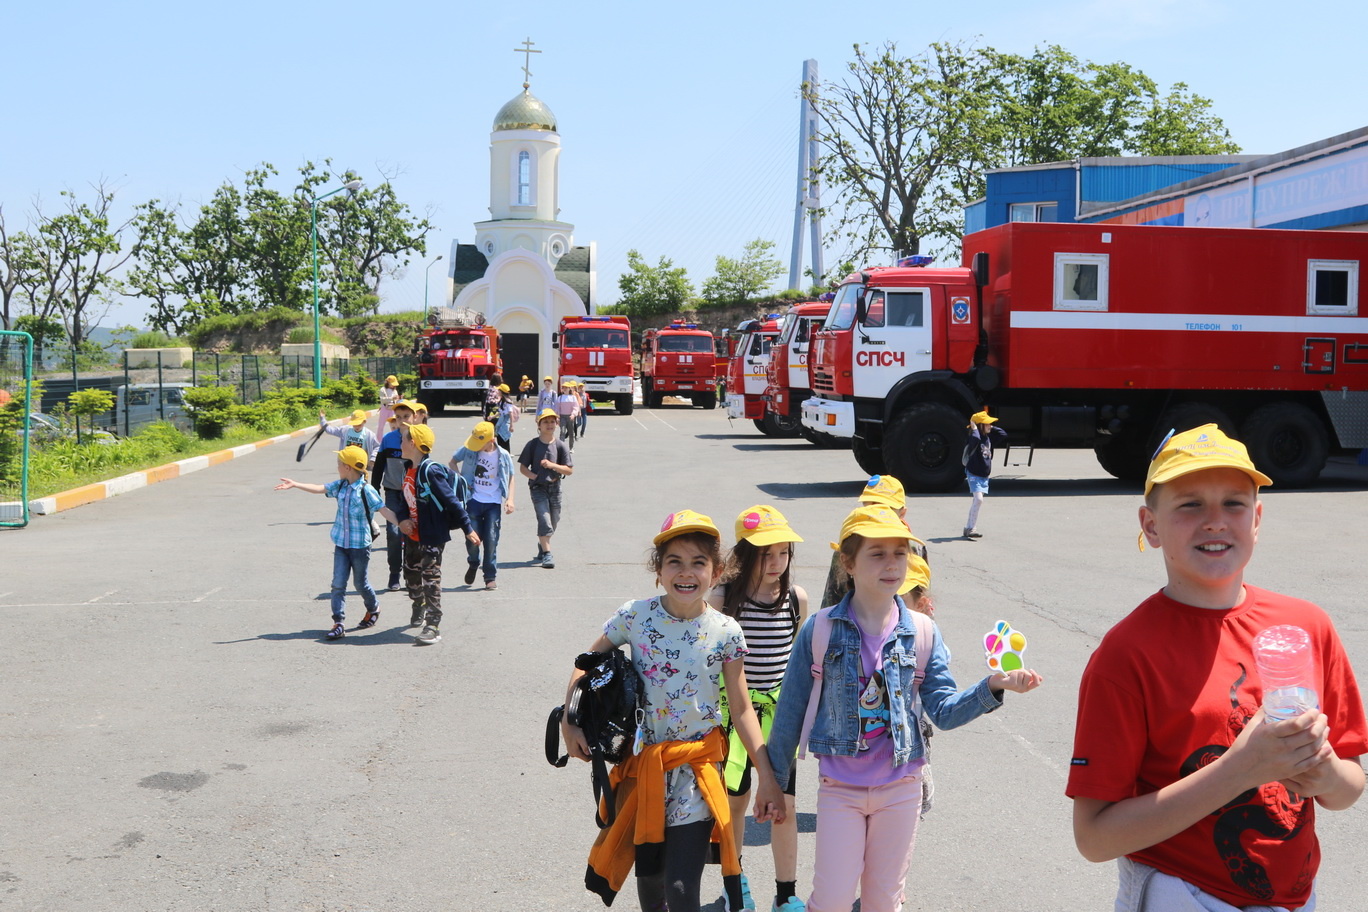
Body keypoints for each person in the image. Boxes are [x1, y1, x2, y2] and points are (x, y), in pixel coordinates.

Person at [1067, 424, 1367, 911]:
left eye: (1234, 503)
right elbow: (1095, 838)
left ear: (1257, 519)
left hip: (1296, 896)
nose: (1215, 521)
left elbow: (1349, 787)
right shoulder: (1126, 654)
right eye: (1189, 504)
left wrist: (1324, 772)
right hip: (1184, 893)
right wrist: (1240, 770)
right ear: (1150, 525)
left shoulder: (1306, 627)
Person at [766, 504, 1042, 912]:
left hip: (901, 789)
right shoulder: (821, 628)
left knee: (883, 902)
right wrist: (772, 783)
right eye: (877, 553)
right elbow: (789, 712)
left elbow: (944, 711)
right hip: (840, 789)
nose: (892, 563)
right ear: (848, 563)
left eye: (900, 552)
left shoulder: (923, 632)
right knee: (831, 901)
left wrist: (993, 686)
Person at [562, 510, 786, 912]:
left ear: (716, 572)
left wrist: (766, 775)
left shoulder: (725, 631)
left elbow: (741, 708)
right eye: (674, 562)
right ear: (658, 570)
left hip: (697, 774)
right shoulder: (635, 616)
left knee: (682, 890)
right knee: (651, 889)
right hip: (643, 770)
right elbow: (586, 662)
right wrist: (569, 718)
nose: (687, 572)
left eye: (698, 562)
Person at [711, 505, 809, 912]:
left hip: (779, 720)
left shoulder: (795, 599)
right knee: (735, 802)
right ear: (745, 553)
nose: (776, 562)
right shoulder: (722, 598)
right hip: (733, 718)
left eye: (783, 553)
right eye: (766, 553)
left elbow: (797, 660)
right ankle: (735, 882)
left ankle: (786, 893)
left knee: (785, 806)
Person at [275, 445, 397, 640]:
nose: (337, 467)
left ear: (348, 467)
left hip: (360, 546)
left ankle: (373, 608)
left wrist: (404, 525)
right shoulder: (340, 485)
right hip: (341, 543)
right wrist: (296, 484)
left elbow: (384, 511)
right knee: (338, 584)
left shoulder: (367, 490)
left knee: (360, 583)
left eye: (339, 464)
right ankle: (338, 622)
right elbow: (320, 488)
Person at [392, 423, 480, 645]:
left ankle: (433, 625)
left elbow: (451, 501)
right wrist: (402, 519)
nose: (400, 442)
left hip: (432, 535)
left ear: (413, 444)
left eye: (403, 439)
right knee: (411, 575)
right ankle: (418, 602)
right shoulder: (407, 468)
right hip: (412, 535)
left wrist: (467, 528)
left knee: (430, 578)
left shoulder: (431, 471)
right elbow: (403, 500)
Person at [821, 474, 928, 610]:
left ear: (902, 513)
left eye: (885, 508)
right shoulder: (849, 546)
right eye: (870, 506)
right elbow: (832, 598)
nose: (877, 511)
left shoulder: (915, 547)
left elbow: (921, 594)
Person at [449, 420, 515, 591]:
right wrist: (461, 482)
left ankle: (490, 576)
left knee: (491, 540)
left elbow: (511, 476)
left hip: (493, 503)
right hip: (473, 501)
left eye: (480, 443)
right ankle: (473, 562)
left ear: (491, 440)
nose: (476, 446)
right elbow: (452, 462)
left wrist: (510, 499)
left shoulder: (503, 455)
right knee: (472, 539)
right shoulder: (470, 450)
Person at [371, 399, 418, 590]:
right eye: (398, 418)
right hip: (392, 492)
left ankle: (410, 572)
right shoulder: (389, 439)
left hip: (413, 495)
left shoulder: (419, 438)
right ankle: (394, 573)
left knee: (412, 533)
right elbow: (379, 466)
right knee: (393, 533)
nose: (402, 420)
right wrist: (373, 490)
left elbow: (424, 467)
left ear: (415, 417)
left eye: (406, 416)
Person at [517, 408, 572, 569]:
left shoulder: (560, 445)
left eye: (552, 421)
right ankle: (548, 555)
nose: (549, 424)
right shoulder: (533, 445)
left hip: (555, 487)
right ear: (539, 425)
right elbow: (523, 468)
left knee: (554, 520)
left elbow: (569, 470)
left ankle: (543, 545)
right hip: (537, 488)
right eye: (545, 422)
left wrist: (553, 465)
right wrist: (534, 476)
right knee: (544, 519)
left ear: (556, 424)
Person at [962, 409, 1006, 540]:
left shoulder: (988, 438)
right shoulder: (973, 438)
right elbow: (975, 438)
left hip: (983, 475)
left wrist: (991, 426)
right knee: (979, 499)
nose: (989, 426)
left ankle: (968, 528)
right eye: (986, 424)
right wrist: (974, 427)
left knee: (977, 501)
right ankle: (972, 528)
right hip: (974, 473)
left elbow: (1003, 434)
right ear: (979, 426)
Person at [555, 380, 580, 450]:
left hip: (570, 417)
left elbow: (576, 407)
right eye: (563, 388)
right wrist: (557, 417)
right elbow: (557, 408)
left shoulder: (573, 397)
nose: (565, 389)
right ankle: (561, 448)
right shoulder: (560, 398)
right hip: (562, 417)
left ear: (569, 389)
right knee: (562, 432)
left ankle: (571, 447)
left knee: (571, 433)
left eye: (566, 387)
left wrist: (573, 415)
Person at [494, 383, 518, 452]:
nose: (497, 391)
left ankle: (507, 455)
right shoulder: (501, 401)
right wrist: (493, 416)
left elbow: (510, 413)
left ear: (502, 392)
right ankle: (501, 454)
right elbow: (501, 412)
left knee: (505, 441)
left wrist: (511, 425)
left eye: (499, 390)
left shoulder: (508, 402)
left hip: (505, 424)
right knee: (500, 440)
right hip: (500, 423)